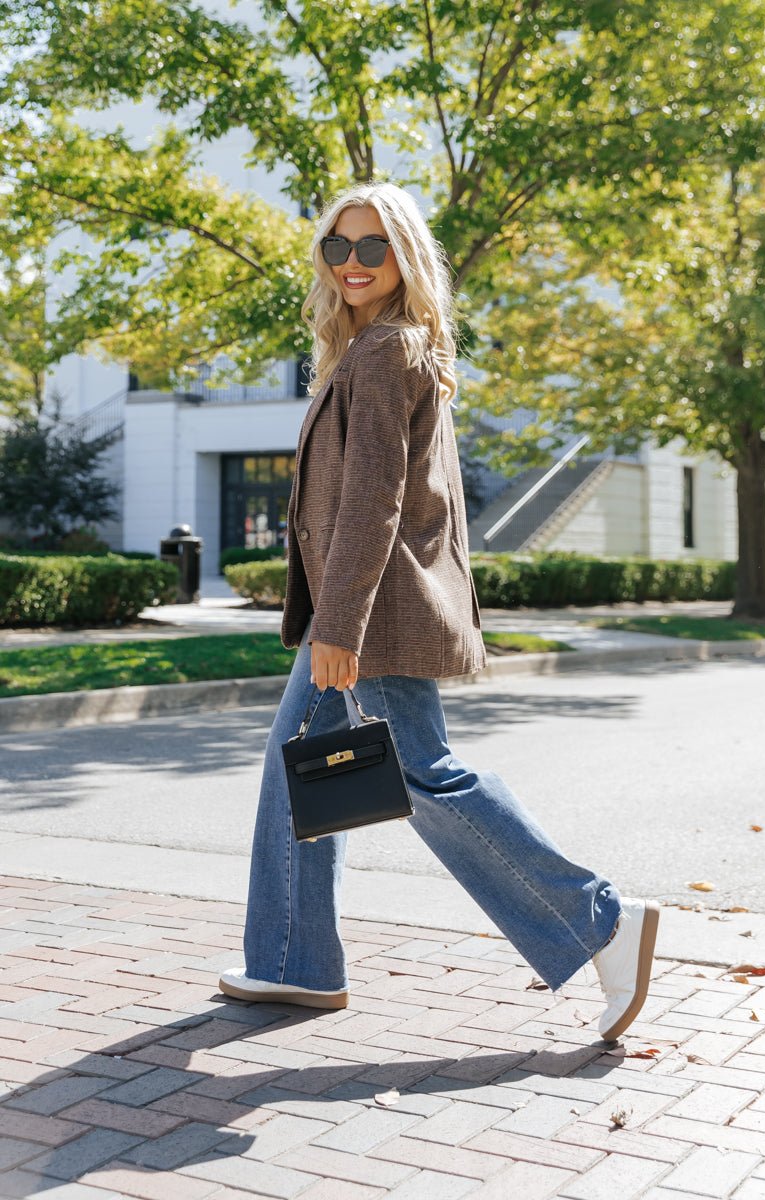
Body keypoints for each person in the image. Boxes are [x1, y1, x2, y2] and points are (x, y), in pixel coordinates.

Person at [220, 182, 659, 1043]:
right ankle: (293, 963)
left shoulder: (388, 351)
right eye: (337, 247)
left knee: (424, 777)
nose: (352, 263)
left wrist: (339, 625)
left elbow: (374, 503)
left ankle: (599, 921)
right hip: (358, 608)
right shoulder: (374, 348)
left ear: (405, 256)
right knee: (297, 768)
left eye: (372, 247)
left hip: (373, 612)